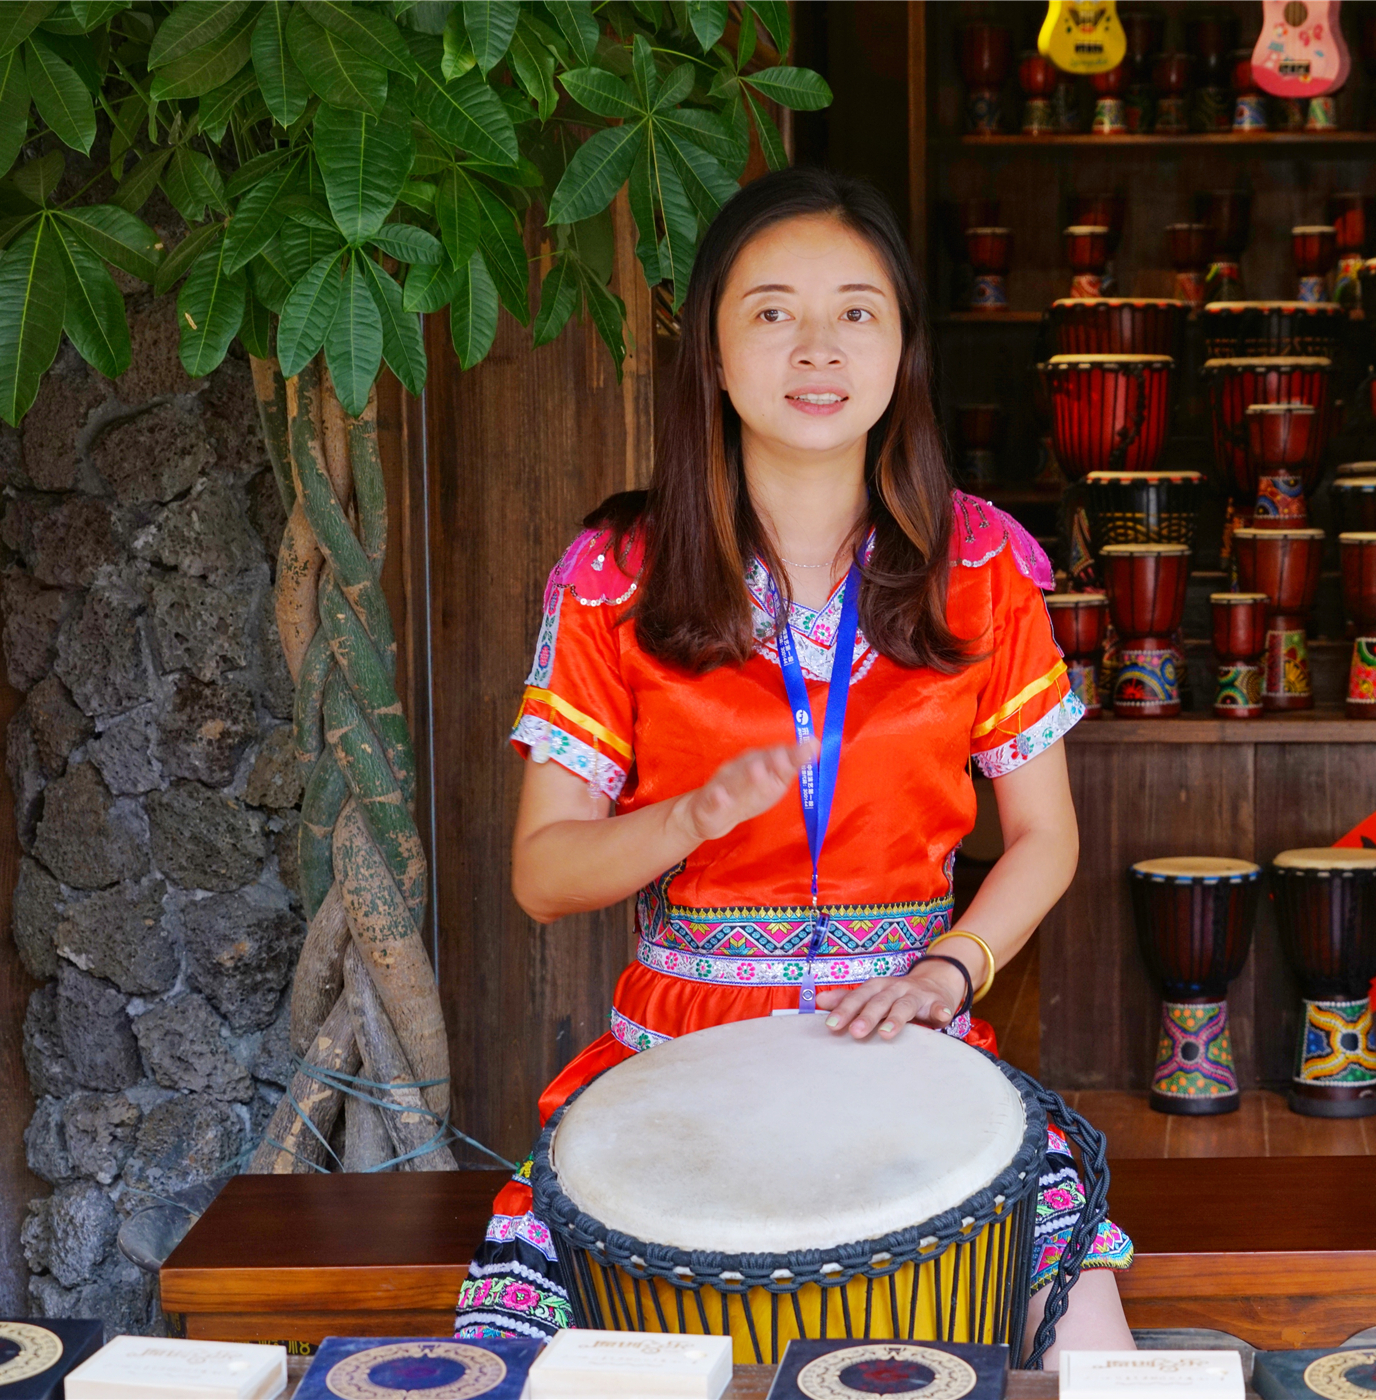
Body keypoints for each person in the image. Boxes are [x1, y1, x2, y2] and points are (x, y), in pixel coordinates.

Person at [453, 166, 1134, 1364]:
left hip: (910, 1031)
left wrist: (950, 971)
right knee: (522, 1356)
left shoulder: (979, 566)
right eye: (771, 311)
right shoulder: (619, 576)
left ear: (903, 350)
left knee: (1090, 1327)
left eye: (856, 311)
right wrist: (692, 812)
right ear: (712, 354)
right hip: (674, 1050)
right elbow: (543, 874)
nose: (817, 346)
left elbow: (1044, 835)